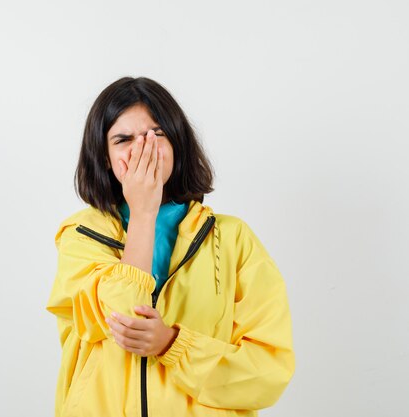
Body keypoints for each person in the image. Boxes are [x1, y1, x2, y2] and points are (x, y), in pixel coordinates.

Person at [46, 76, 295, 417]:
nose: (143, 149)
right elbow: (124, 313)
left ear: (177, 143)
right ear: (104, 157)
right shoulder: (79, 237)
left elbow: (268, 373)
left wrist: (172, 345)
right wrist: (143, 211)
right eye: (123, 139)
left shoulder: (234, 240)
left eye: (156, 134)